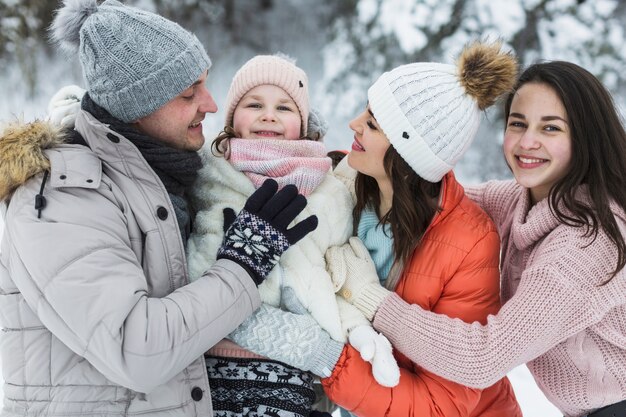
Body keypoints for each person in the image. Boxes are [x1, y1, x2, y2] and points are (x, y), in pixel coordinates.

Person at [0, 0, 317, 416]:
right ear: (136, 107)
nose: (210, 103)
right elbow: (138, 349)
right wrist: (242, 265)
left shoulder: (166, 174)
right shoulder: (63, 198)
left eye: (205, 83)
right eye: (189, 93)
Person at [332, 59, 626, 417]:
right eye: (518, 124)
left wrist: (371, 300)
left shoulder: (587, 245)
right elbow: (443, 195)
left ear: (585, 139)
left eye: (551, 128)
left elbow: (484, 358)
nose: (527, 142)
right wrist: (339, 166)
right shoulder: (524, 202)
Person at [186, 54, 399, 417]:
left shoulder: (329, 193)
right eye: (254, 104)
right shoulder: (208, 173)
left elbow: (333, 277)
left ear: (302, 124)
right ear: (232, 120)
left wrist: (355, 327)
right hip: (208, 367)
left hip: (292, 376)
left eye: (283, 107)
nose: (268, 115)